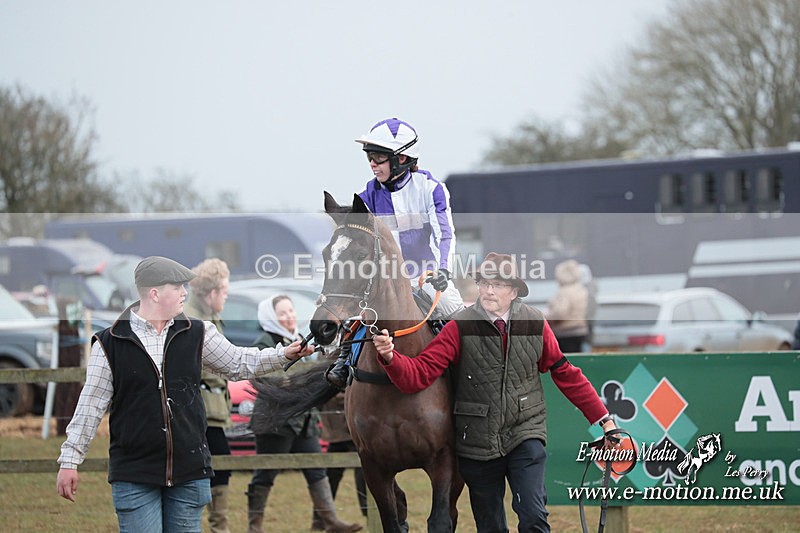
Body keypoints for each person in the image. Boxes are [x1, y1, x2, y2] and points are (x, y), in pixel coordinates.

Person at [55, 256, 314, 532]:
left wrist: (284, 354)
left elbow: (239, 362)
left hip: (189, 470)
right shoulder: (108, 343)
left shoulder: (199, 332)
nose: (185, 293)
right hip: (134, 473)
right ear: (154, 293)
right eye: (177, 287)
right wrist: (70, 461)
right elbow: (90, 406)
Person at [371, 252, 617, 533]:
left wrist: (605, 421)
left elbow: (567, 375)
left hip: (525, 433)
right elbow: (418, 375)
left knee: (533, 516)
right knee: (491, 527)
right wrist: (391, 357)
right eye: (484, 283)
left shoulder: (535, 323)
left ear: (513, 291)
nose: (489, 290)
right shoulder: (457, 327)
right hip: (477, 441)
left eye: (498, 284)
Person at [327, 117, 464, 388]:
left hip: (427, 276)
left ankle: (472, 382)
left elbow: (444, 234)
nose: (372, 164)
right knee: (357, 314)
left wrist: (443, 271)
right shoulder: (367, 195)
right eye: (369, 157)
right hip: (386, 280)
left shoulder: (431, 188)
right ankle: (344, 359)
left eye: (378, 157)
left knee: (458, 314)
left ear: (401, 158)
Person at [247, 294, 362, 533]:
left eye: (291, 311)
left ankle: (329, 521)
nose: (289, 317)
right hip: (275, 420)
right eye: (282, 313)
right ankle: (254, 526)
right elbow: (264, 378)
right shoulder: (264, 341)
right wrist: (302, 384)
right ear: (271, 317)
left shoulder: (300, 340)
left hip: (305, 419)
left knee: (316, 469)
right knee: (265, 473)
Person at [183, 258, 232, 533]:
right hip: (199, 409)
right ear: (212, 292)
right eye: (224, 291)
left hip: (211, 408)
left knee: (217, 466)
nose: (226, 296)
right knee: (215, 466)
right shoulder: (194, 320)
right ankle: (216, 527)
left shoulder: (209, 316)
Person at [317, 392, 368, 524]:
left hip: (353, 431)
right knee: (329, 477)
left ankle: (369, 512)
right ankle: (320, 518)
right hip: (340, 432)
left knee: (365, 474)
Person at [546, 259, 590, 353]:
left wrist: (544, 316)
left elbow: (560, 313)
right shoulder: (581, 290)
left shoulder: (565, 292)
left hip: (565, 333)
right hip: (579, 331)